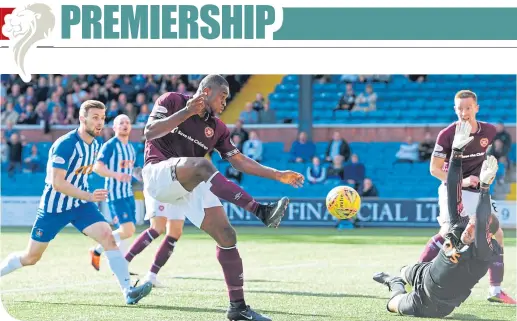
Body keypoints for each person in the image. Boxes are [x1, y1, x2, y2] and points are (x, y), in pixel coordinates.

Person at [142, 74, 304, 321]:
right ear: (206, 92)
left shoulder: (217, 128)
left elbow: (238, 160)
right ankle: (260, 210)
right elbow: (149, 132)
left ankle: (237, 308)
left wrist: (277, 174)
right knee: (203, 166)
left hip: (188, 180)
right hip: (158, 174)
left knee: (227, 236)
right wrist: (185, 113)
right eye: (223, 96)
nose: (225, 102)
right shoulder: (172, 100)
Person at [0, 100, 152, 305]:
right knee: (30, 258)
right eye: (95, 117)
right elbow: (57, 183)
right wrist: (89, 196)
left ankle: (128, 291)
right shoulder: (65, 145)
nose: (100, 122)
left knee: (108, 236)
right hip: (54, 208)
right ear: (82, 118)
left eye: (103, 118)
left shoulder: (95, 144)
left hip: (80, 205)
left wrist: (87, 197)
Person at [373, 122, 503, 318]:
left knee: (393, 303)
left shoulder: (484, 252)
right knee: (406, 270)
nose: (469, 228)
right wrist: (457, 153)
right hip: (425, 272)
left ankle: (395, 285)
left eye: (475, 227)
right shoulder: (460, 225)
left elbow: (483, 218)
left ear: (485, 234)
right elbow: (453, 190)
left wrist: (484, 189)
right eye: (470, 223)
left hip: (430, 304)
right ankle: (401, 277)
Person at [421, 90, 515, 304]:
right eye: (459, 109)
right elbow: (434, 170)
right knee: (448, 233)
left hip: (477, 190)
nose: (464, 113)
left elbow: (489, 151)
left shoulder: (489, 131)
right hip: (452, 187)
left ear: (476, 108)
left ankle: (495, 290)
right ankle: (415, 275)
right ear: (455, 110)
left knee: (497, 233)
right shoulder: (446, 134)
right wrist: (461, 181)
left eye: (468, 108)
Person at [89, 115, 138, 272]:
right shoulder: (110, 146)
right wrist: (115, 175)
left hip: (128, 194)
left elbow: (129, 170)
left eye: (127, 122)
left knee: (125, 232)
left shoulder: (131, 148)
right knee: (128, 230)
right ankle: (97, 250)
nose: (125, 125)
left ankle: (121, 265)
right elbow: (97, 167)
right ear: (114, 128)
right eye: (121, 123)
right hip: (116, 195)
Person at [124, 191, 186, 288]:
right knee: (157, 228)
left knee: (175, 232)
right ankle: (123, 263)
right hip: (159, 186)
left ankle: (151, 275)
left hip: (178, 190)